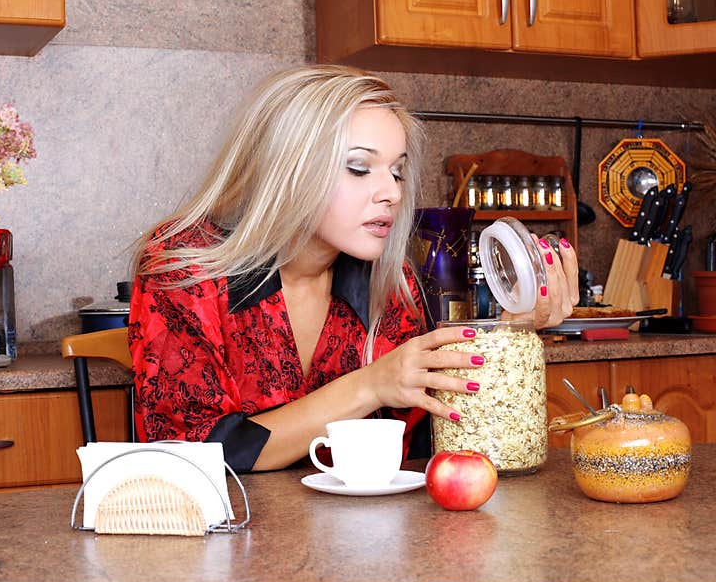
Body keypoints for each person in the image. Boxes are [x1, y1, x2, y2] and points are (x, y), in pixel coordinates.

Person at [127, 64, 579, 473]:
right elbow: (191, 453)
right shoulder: (182, 266)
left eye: (397, 172)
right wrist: (368, 387)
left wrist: (510, 336)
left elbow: (441, 433)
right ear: (287, 170)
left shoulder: (393, 284)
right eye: (359, 168)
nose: (392, 193)